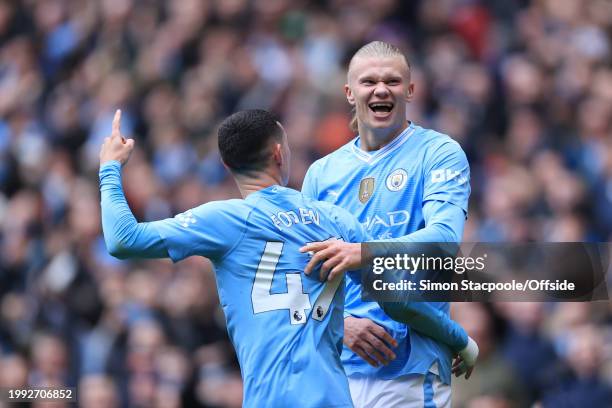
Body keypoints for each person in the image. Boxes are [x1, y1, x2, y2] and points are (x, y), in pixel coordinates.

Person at [99, 108, 474, 407]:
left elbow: (122, 240)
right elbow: (400, 302)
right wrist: (459, 340)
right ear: (279, 153)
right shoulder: (335, 221)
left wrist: (110, 168)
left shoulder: (224, 220)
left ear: (228, 167)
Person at [301, 41, 474, 407]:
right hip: (338, 370)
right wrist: (340, 325)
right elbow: (304, 269)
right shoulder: (322, 173)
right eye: (369, 82)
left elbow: (443, 241)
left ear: (410, 90)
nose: (381, 89)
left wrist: (363, 253)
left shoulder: (439, 153)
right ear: (350, 93)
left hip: (410, 367)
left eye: (393, 81)